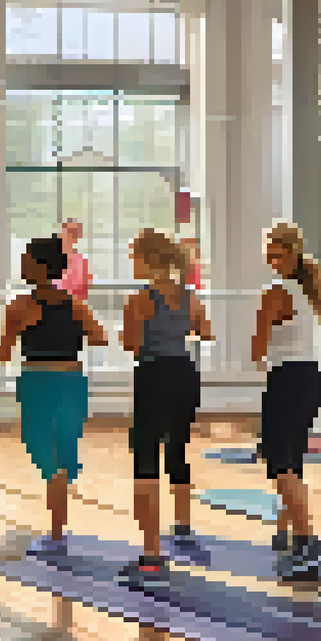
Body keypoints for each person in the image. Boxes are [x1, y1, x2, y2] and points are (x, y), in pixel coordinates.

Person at [0, 235, 109, 554]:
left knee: (44, 451)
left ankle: (57, 531)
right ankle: (58, 530)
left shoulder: (19, 306)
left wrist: (19, 335)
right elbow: (100, 338)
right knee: (62, 451)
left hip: (38, 382)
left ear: (39, 266)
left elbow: (4, 352)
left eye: (26, 259)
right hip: (71, 381)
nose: (21, 264)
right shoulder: (74, 304)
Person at [116, 229, 214, 589]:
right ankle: (183, 527)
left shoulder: (141, 299)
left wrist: (151, 335)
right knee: (178, 447)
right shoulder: (190, 297)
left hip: (154, 373)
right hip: (184, 374)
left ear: (150, 260)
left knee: (145, 457)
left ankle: (152, 554)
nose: (132, 263)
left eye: (135, 257)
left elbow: (130, 345)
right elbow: (205, 332)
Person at [252, 221, 321, 581]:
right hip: (309, 377)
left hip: (287, 378)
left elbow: (257, 349)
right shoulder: (305, 290)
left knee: (278, 460)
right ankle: (288, 535)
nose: (272, 258)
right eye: (269, 252)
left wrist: (262, 359)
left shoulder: (274, 293)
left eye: (277, 251)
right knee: (292, 459)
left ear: (292, 252)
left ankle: (307, 540)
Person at [55, 219, 92, 302]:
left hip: (73, 306)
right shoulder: (50, 258)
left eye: (73, 233)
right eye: (67, 231)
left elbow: (84, 291)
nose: (68, 236)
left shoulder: (82, 262)